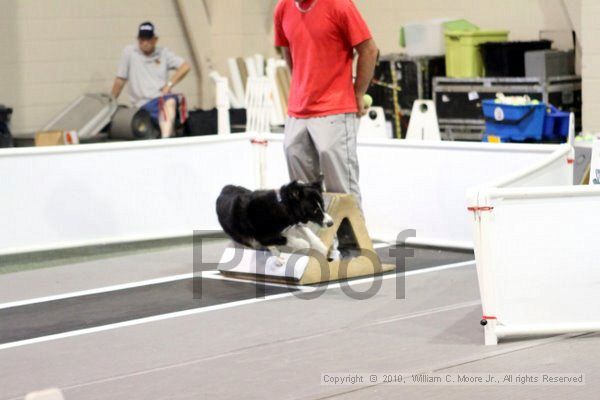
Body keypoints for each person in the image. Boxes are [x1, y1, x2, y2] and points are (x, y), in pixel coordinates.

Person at [274, 0, 378, 208]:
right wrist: (301, 85)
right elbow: (287, 49)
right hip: (298, 110)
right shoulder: (283, 8)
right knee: (301, 187)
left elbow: (369, 50)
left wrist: (358, 93)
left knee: (340, 183)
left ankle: (350, 237)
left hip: (335, 107)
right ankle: (314, 235)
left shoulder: (339, 5)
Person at [111, 22, 191, 138]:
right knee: (168, 107)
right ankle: (168, 134)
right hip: (142, 104)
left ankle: (165, 139)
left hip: (161, 99)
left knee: (170, 102)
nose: (145, 43)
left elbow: (185, 67)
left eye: (148, 40)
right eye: (141, 40)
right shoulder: (129, 52)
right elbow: (120, 79)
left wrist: (169, 85)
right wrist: (111, 102)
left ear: (155, 39)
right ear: (138, 40)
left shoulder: (163, 53)